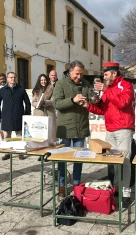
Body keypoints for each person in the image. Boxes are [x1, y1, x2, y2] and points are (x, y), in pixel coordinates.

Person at [81, 62, 136, 208]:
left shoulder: (126, 86)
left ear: (114, 74)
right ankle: (116, 188)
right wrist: (88, 106)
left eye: (106, 74)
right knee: (112, 161)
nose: (104, 77)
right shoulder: (108, 89)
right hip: (110, 130)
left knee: (125, 161)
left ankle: (126, 193)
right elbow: (103, 110)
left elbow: (123, 103)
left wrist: (106, 90)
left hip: (124, 128)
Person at [53, 60, 92, 198]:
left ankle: (76, 185)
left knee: (79, 158)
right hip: (65, 127)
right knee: (63, 158)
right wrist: (72, 100)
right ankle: (62, 186)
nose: (79, 77)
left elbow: (92, 100)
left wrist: (90, 101)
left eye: (81, 74)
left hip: (80, 127)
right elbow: (56, 103)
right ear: (70, 72)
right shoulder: (61, 84)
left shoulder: (86, 84)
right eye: (77, 74)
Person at [0, 72, 31, 160]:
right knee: (7, 137)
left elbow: (27, 103)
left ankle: (20, 153)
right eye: (11, 77)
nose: (13, 79)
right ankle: (7, 153)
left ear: (16, 78)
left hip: (18, 116)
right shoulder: (3, 90)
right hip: (6, 117)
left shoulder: (21, 89)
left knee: (19, 137)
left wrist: (26, 115)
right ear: (7, 79)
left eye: (14, 77)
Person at [31, 74, 57, 144]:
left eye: (44, 80)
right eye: (41, 80)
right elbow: (33, 102)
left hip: (49, 112)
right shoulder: (35, 90)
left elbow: (54, 100)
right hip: (39, 113)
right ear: (39, 81)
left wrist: (45, 102)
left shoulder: (52, 88)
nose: (43, 81)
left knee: (51, 133)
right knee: (40, 133)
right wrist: (38, 104)